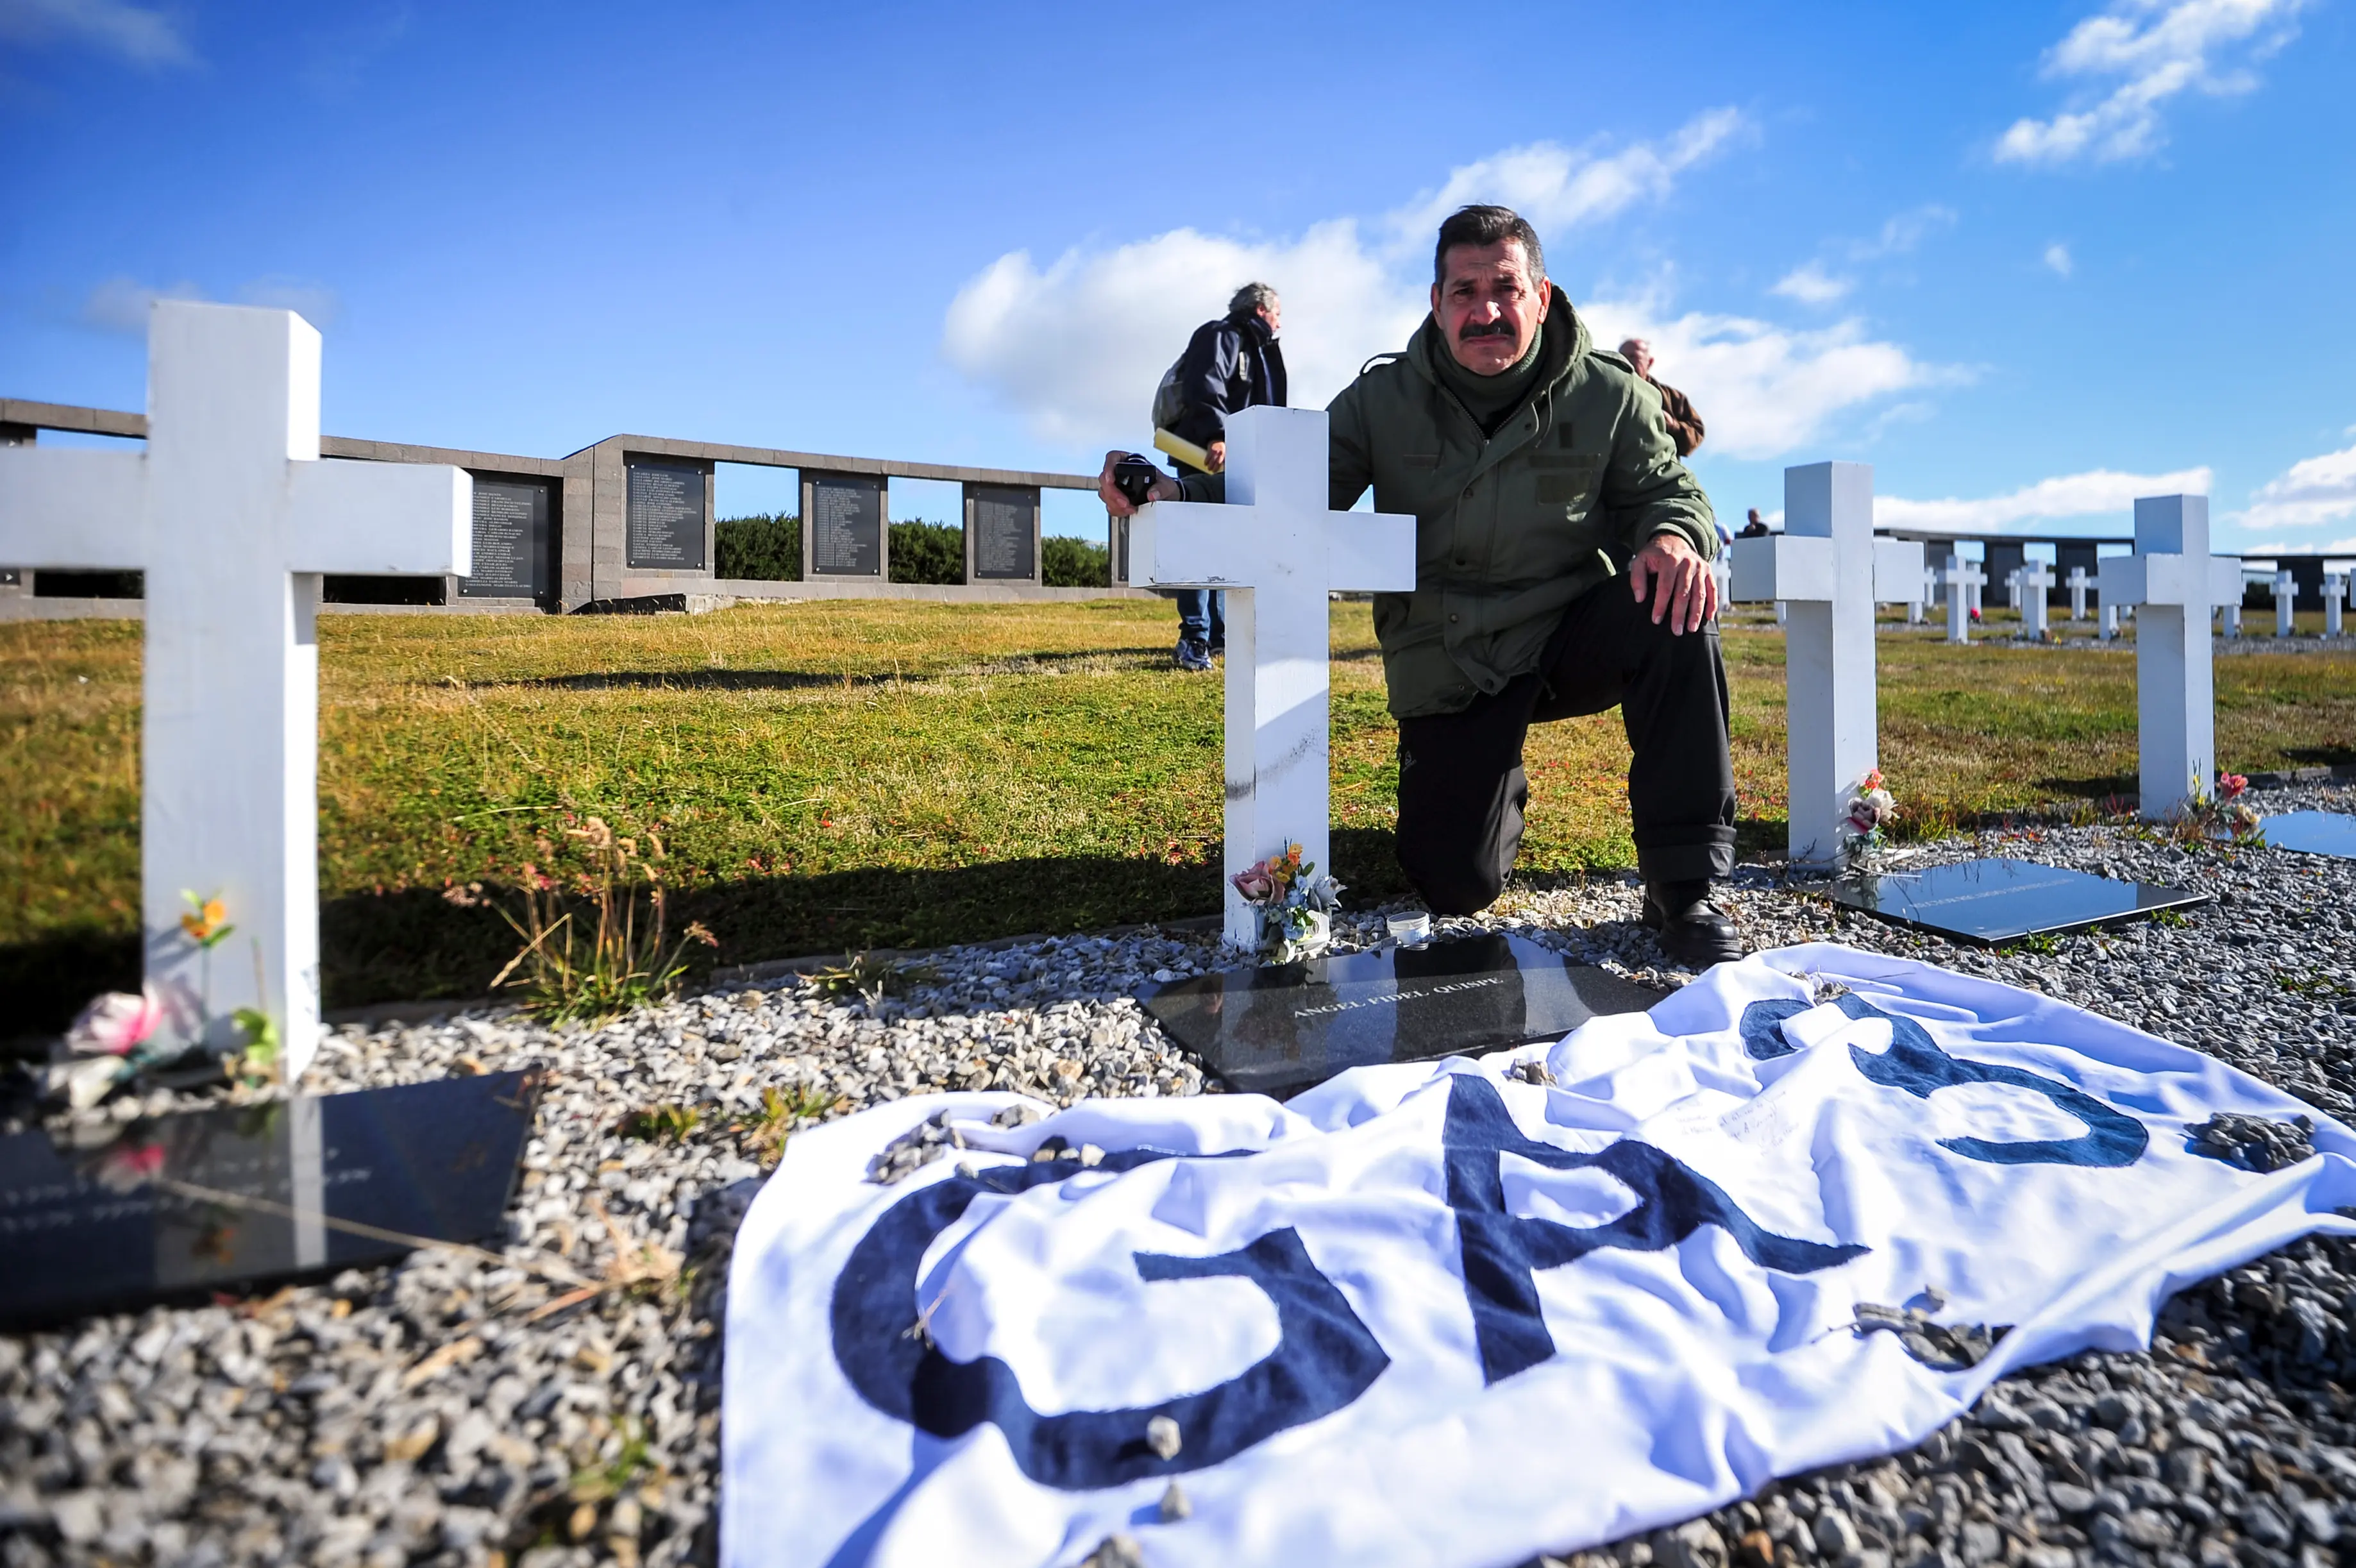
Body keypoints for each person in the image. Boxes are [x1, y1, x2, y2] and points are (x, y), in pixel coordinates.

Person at [1100, 206, 1740, 966]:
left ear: (1541, 294)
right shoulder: (1382, 400)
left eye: (1505, 287)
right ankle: (1483, 779)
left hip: (1569, 634)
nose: (1485, 311)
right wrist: (1174, 499)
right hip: (1452, 657)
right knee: (1454, 885)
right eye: (1463, 291)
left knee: (1674, 607)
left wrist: (1672, 537)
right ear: (1435, 306)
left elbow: (1668, 492)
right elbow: (1287, 497)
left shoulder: (1610, 395)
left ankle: (1685, 883)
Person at [1163, 283, 1288, 670]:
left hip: (1244, 457)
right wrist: (1216, 434)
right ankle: (1195, 639)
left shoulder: (1260, 347)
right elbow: (1207, 382)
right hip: (1207, 453)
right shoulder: (1221, 334)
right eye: (1278, 313)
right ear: (1260, 309)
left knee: (1228, 545)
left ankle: (1222, 638)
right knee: (1199, 542)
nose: (1281, 322)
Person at [1617, 338, 1704, 458]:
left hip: (1656, 471)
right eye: (1621, 357)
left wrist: (1673, 426)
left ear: (1650, 362)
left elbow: (1695, 437)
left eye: (1633, 357)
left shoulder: (1672, 398)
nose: (1626, 362)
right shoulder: (1605, 391)